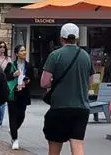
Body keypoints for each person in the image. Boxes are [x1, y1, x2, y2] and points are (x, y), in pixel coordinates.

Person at [40, 22, 92, 155]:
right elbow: (90, 84)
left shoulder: (55, 55)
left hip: (59, 107)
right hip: (81, 107)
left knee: (55, 146)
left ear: (61, 38)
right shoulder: (86, 56)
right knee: (77, 144)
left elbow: (44, 83)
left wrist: (54, 82)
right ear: (77, 38)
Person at [4, 44, 32, 150]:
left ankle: (13, 129)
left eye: (25, 50)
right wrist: (13, 75)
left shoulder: (29, 66)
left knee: (21, 116)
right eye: (21, 51)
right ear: (16, 54)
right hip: (13, 94)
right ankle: (15, 139)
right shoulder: (11, 65)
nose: (24, 52)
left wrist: (27, 81)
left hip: (23, 94)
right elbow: (4, 77)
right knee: (13, 116)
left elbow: (31, 79)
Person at [0, 41, 10, 127]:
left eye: (4, 47)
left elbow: (10, 71)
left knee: (2, 101)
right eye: (0, 47)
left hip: (4, 81)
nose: (2, 48)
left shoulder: (8, 59)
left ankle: (0, 121)